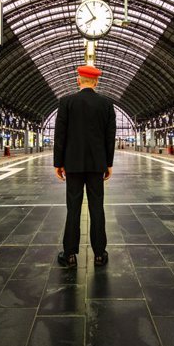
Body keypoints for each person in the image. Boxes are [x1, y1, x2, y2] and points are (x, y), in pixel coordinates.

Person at [54, 65, 116, 268]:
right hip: (97, 165)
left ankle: (70, 255)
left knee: (73, 208)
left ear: (78, 81)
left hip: (72, 164)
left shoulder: (66, 102)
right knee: (97, 207)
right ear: (96, 82)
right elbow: (110, 137)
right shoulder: (106, 104)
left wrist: (58, 163)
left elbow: (60, 136)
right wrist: (108, 163)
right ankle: (100, 254)